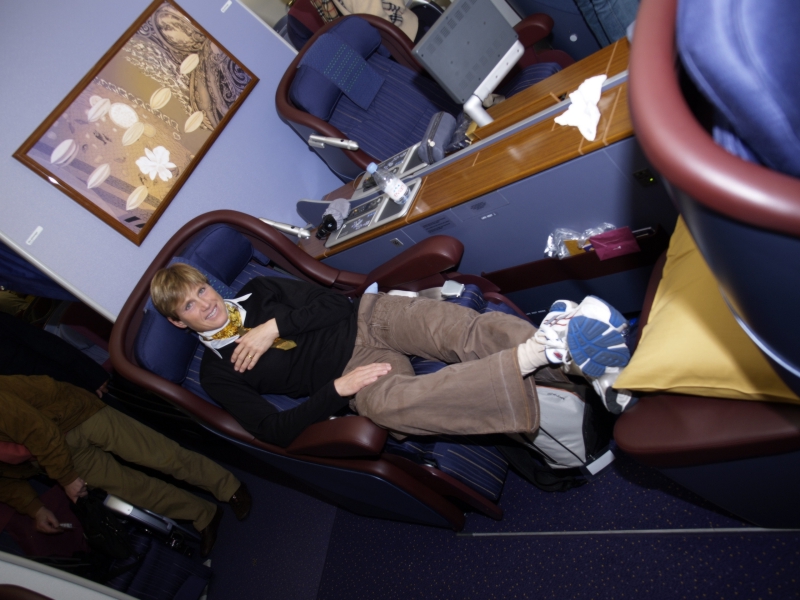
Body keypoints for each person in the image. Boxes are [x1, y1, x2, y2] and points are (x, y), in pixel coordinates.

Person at [149, 264, 633, 451]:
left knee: (463, 331)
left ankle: (579, 362)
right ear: (178, 322)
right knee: (391, 406)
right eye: (189, 306)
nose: (205, 304)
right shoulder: (216, 373)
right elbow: (271, 429)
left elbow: (334, 304)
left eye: (202, 289)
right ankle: (539, 353)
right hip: (349, 373)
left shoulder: (260, 289)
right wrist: (336, 391)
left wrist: (273, 326)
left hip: (369, 318)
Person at [0, 374, 252, 557]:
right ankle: (203, 515)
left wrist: (65, 477)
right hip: (45, 456)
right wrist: (34, 508)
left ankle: (228, 487)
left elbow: (38, 431)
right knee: (131, 489)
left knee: (159, 455)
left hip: (72, 414)